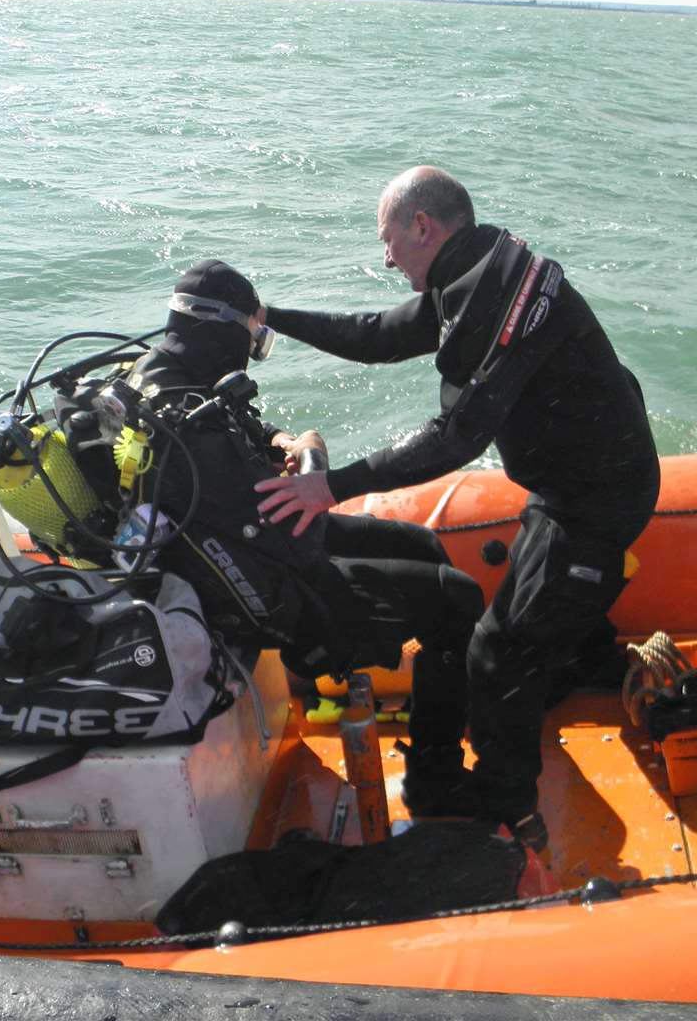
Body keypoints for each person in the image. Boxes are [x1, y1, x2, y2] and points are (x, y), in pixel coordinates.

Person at [254, 167, 661, 846]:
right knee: (534, 598)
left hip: (598, 495)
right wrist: (274, 320)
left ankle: (506, 805)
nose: (386, 258)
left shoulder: (495, 302)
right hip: (568, 483)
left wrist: (330, 486)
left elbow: (456, 436)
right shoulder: (473, 273)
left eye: (389, 241)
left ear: (424, 227)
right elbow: (377, 335)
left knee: (495, 655)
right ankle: (580, 659)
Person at [120, 259, 484, 773]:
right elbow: (301, 539)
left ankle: (414, 702)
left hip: (231, 550)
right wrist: (314, 456)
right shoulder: (191, 430)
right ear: (225, 330)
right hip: (263, 589)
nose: (250, 355)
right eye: (252, 339)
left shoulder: (163, 380)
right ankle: (435, 770)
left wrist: (277, 442)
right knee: (458, 598)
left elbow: (233, 427)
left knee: (418, 544)